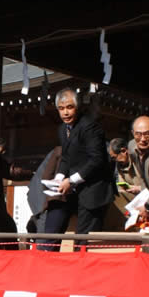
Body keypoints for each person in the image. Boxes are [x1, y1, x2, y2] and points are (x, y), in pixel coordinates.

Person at [42, 88, 115, 249]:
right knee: (56, 232)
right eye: (61, 109)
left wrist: (71, 180)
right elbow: (66, 157)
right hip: (75, 189)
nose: (65, 113)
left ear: (78, 106)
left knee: (83, 243)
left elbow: (97, 159)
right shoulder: (63, 129)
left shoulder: (89, 127)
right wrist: (59, 178)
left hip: (94, 189)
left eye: (69, 107)